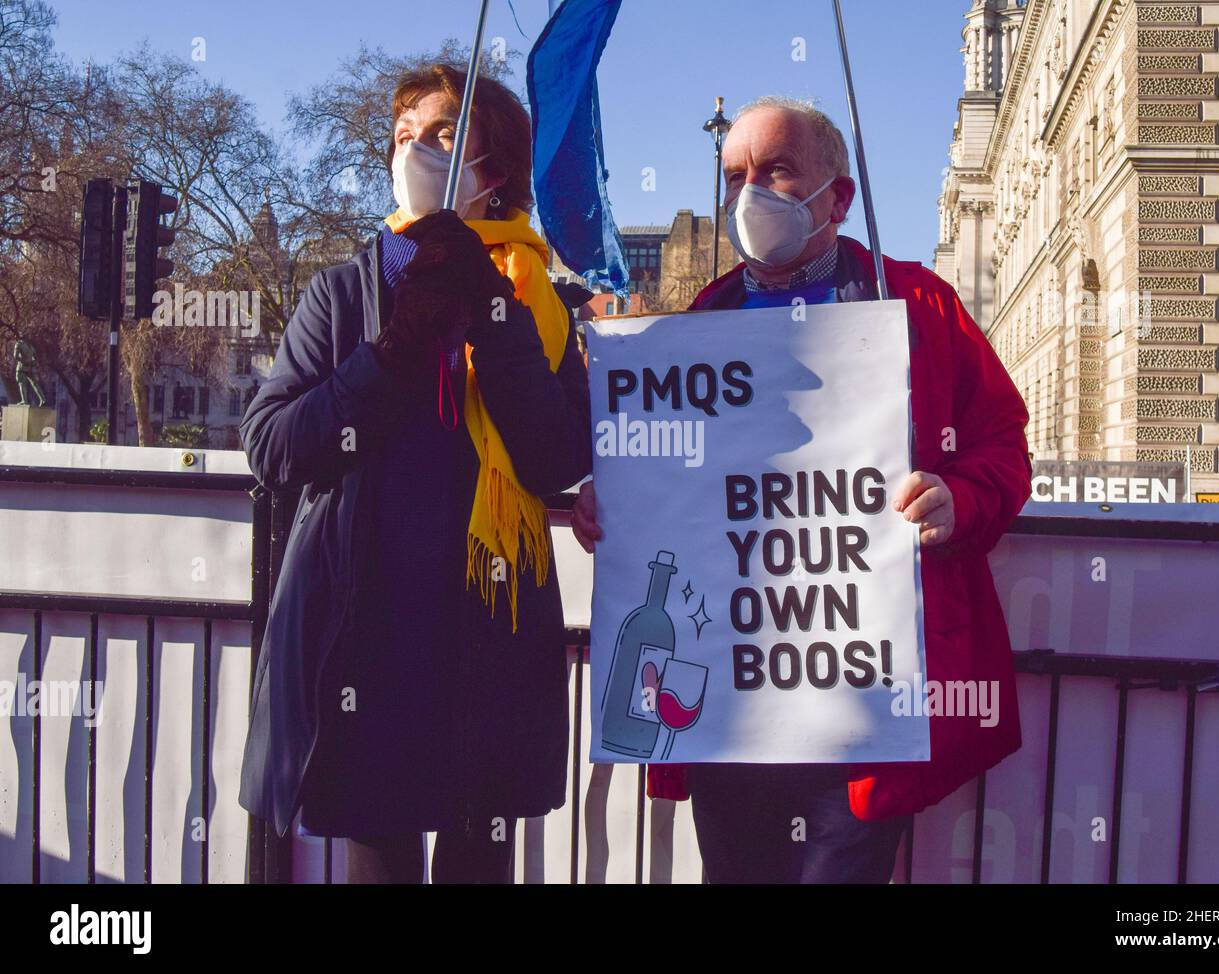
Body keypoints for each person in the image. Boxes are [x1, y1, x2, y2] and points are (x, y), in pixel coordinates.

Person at [571, 96, 1032, 884]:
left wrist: (959, 499)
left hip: (861, 704)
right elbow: (671, 472)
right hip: (731, 705)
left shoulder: (918, 304)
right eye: (735, 174)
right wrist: (613, 495)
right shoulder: (703, 316)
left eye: (776, 170)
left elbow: (1003, 450)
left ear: (837, 197)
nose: (751, 193)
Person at [238, 63, 592, 883]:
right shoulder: (342, 293)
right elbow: (274, 445)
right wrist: (389, 355)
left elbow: (556, 458)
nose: (414, 151)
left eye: (440, 135)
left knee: (480, 857)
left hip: (492, 628)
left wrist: (492, 318)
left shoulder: (541, 300)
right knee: (379, 855)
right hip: (370, 628)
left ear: (492, 169)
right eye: (402, 137)